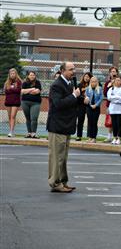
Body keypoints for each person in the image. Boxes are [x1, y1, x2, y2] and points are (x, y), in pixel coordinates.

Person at [46, 62, 79, 193]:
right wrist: (74, 96)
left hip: (66, 126)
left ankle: (63, 181)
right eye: (71, 69)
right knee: (56, 157)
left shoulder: (69, 84)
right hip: (57, 126)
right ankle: (55, 183)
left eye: (74, 69)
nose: (73, 72)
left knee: (63, 157)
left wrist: (81, 98)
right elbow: (59, 104)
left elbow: (71, 101)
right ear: (62, 71)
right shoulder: (56, 85)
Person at [20, 70, 42, 138]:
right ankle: (29, 133)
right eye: (30, 75)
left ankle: (34, 133)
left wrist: (27, 91)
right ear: (28, 76)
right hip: (25, 102)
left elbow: (37, 91)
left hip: (35, 103)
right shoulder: (24, 82)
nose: (32, 76)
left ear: (35, 76)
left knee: (34, 118)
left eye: (33, 75)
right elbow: (22, 91)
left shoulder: (38, 82)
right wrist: (32, 89)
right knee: (28, 118)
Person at [84, 76, 103, 143]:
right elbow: (86, 97)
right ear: (90, 82)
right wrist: (89, 104)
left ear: (97, 82)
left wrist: (96, 105)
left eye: (95, 81)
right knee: (90, 122)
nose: (93, 83)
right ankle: (89, 137)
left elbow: (101, 98)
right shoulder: (87, 89)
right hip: (89, 108)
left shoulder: (100, 89)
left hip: (96, 108)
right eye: (92, 81)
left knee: (94, 123)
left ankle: (94, 138)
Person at [106, 76, 121, 145]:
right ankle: (115, 137)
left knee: (119, 123)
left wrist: (115, 98)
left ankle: (119, 138)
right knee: (114, 124)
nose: (117, 82)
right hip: (113, 108)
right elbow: (109, 98)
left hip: (120, 108)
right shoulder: (111, 89)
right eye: (116, 80)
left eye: (119, 80)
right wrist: (117, 97)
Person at [3, 67, 22, 137]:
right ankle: (11, 131)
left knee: (12, 116)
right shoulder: (7, 82)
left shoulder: (19, 81)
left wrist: (11, 89)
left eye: (14, 73)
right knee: (9, 117)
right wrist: (13, 89)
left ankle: (11, 131)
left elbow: (18, 91)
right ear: (9, 74)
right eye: (11, 73)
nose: (13, 74)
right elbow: (6, 91)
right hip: (8, 101)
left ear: (16, 74)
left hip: (15, 102)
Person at [75, 72, 91, 141]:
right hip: (81, 105)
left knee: (90, 121)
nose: (86, 78)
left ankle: (90, 136)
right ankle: (79, 136)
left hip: (89, 105)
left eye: (88, 77)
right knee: (80, 120)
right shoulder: (80, 85)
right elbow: (78, 95)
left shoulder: (92, 84)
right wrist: (84, 98)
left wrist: (88, 99)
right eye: (85, 76)